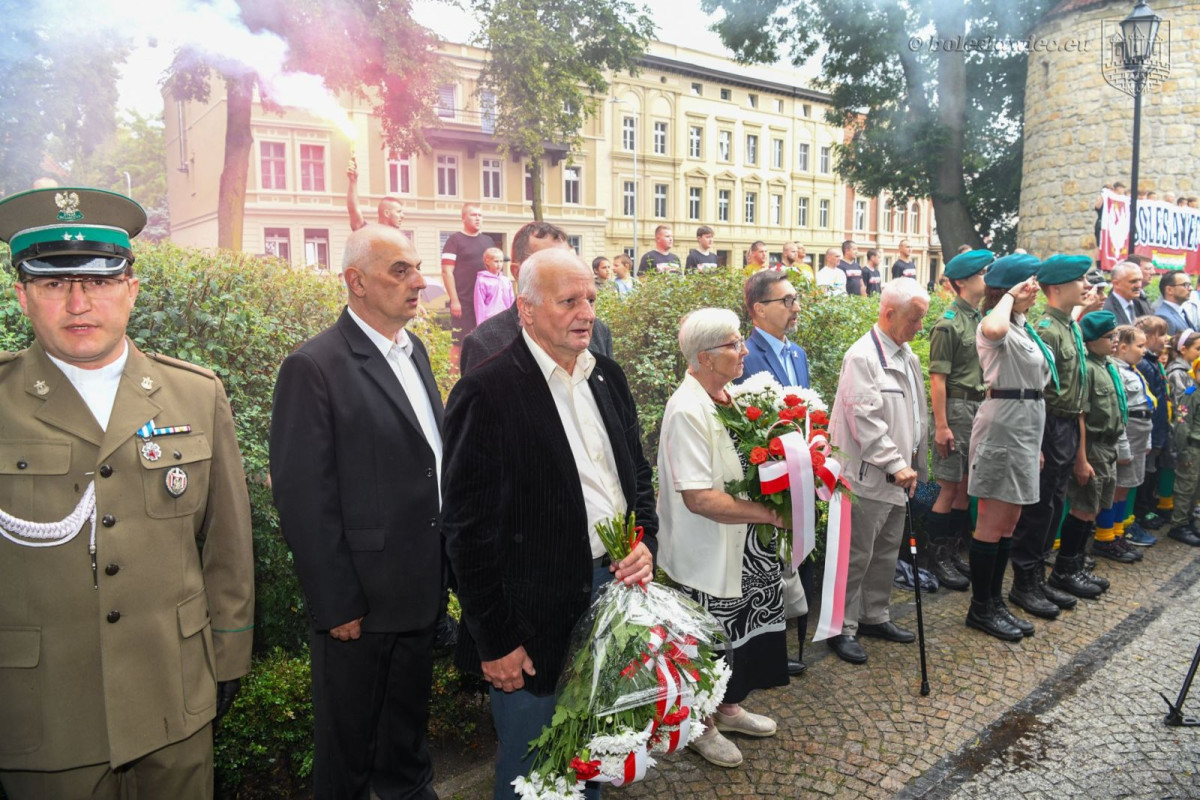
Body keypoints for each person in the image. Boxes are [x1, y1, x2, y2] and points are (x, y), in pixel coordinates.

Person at [0, 187, 254, 798]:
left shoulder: (195, 394)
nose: (79, 302)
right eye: (55, 284)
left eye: (100, 280)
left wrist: (229, 654)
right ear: (22, 295)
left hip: (176, 698)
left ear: (131, 289)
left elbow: (227, 547)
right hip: (43, 715)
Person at [441, 247, 658, 800]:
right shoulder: (486, 391)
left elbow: (635, 474)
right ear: (527, 310)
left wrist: (644, 543)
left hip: (613, 591)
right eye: (569, 301)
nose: (586, 311)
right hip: (530, 618)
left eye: (590, 297)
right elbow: (467, 533)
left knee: (597, 745)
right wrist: (496, 640)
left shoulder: (606, 375)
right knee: (533, 766)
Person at [270, 226, 444, 799]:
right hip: (359, 609)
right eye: (400, 270)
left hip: (418, 592)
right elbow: (303, 498)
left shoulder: (413, 349)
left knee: (406, 744)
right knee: (347, 757)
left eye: (416, 267)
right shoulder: (313, 366)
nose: (418, 280)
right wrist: (337, 602)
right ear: (356, 281)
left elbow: (427, 460)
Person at [657, 308, 787, 768]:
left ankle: (728, 709)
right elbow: (699, 499)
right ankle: (701, 727)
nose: (744, 351)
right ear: (706, 357)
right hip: (708, 550)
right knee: (709, 643)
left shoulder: (724, 395)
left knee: (742, 636)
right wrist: (771, 514)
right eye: (734, 344)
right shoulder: (687, 409)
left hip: (744, 546)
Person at [826, 278, 930, 664]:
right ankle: (842, 627)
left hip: (901, 478)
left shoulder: (907, 356)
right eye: (914, 319)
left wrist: (917, 465)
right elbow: (864, 420)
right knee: (855, 556)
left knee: (886, 551)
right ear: (888, 313)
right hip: (867, 477)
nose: (919, 327)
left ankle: (874, 615)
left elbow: (917, 417)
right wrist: (897, 462)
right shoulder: (862, 357)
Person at [966, 253, 1049, 641]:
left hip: (1023, 428)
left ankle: (994, 601)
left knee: (1010, 522)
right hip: (1003, 428)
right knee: (992, 523)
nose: (1034, 288)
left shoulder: (1023, 326)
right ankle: (981, 607)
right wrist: (1007, 296)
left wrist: (1035, 444)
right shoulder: (995, 322)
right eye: (1026, 282)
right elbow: (994, 328)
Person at [1004, 255, 1092, 618]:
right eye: (1080, 280)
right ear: (1058, 288)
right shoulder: (1049, 329)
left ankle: (1038, 577)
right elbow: (1040, 388)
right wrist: (1040, 441)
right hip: (1050, 424)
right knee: (1039, 509)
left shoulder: (1069, 326)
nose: (1086, 286)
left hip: (1067, 425)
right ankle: (1024, 582)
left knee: (1054, 504)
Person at [459, 222, 613, 374]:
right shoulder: (485, 343)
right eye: (551, 262)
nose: (565, 270)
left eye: (567, 261)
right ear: (518, 272)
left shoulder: (599, 332)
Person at [926, 249, 993, 594]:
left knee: (966, 485)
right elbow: (938, 378)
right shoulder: (949, 323)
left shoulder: (976, 318)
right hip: (955, 409)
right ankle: (936, 557)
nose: (987, 277)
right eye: (982, 273)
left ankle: (953, 551)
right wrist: (941, 425)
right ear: (964, 281)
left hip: (976, 408)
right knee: (949, 486)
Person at [1051, 311, 1128, 599]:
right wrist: (1080, 459)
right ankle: (1065, 570)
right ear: (1093, 340)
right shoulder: (1088, 370)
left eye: (1117, 336)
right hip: (1092, 446)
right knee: (1082, 507)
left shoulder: (1108, 365)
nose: (1116, 342)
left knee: (1093, 508)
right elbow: (1080, 416)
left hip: (1109, 445)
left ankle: (1077, 564)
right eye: (1111, 338)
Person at [1104, 325, 1155, 557]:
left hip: (1140, 433)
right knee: (1116, 488)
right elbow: (1120, 413)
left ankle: (1118, 533)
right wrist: (1123, 447)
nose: (1144, 351)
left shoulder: (1134, 370)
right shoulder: (1116, 371)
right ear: (1123, 347)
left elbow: (1146, 405)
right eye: (1140, 346)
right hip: (1128, 434)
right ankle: (1105, 537)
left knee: (1125, 488)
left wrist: (1147, 439)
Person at [739, 270, 811, 389]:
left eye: (796, 299)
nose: (797, 308)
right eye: (787, 300)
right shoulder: (743, 359)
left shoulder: (799, 354)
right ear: (760, 310)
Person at [441, 204, 495, 364]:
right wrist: (454, 300)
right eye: (473, 215)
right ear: (463, 218)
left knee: (483, 343)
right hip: (463, 303)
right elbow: (446, 271)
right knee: (459, 344)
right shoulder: (454, 241)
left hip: (484, 304)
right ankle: (452, 384)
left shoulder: (488, 240)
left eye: (480, 215)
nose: (477, 218)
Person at [1133, 315, 1172, 531]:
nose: (1166, 339)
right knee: (1145, 474)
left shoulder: (1153, 361)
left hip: (1157, 429)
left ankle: (1146, 508)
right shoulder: (1145, 365)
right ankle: (1141, 511)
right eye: (1162, 334)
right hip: (1150, 429)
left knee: (1151, 470)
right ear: (1148, 337)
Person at [1167, 353, 1200, 546]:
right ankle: (1178, 525)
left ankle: (1188, 520)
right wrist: (1183, 451)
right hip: (1192, 447)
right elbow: (1181, 424)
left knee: (1195, 489)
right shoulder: (1190, 394)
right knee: (1185, 487)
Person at [346, 156, 405, 231]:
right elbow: (353, 209)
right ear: (387, 213)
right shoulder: (369, 232)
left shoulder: (399, 239)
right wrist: (353, 182)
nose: (403, 216)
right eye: (398, 212)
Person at [475, 247, 516, 325]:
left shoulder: (506, 281)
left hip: (505, 320)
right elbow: (479, 305)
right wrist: (480, 326)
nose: (499, 264)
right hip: (490, 321)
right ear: (487, 262)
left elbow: (512, 301)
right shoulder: (482, 281)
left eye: (501, 261)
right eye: (496, 261)